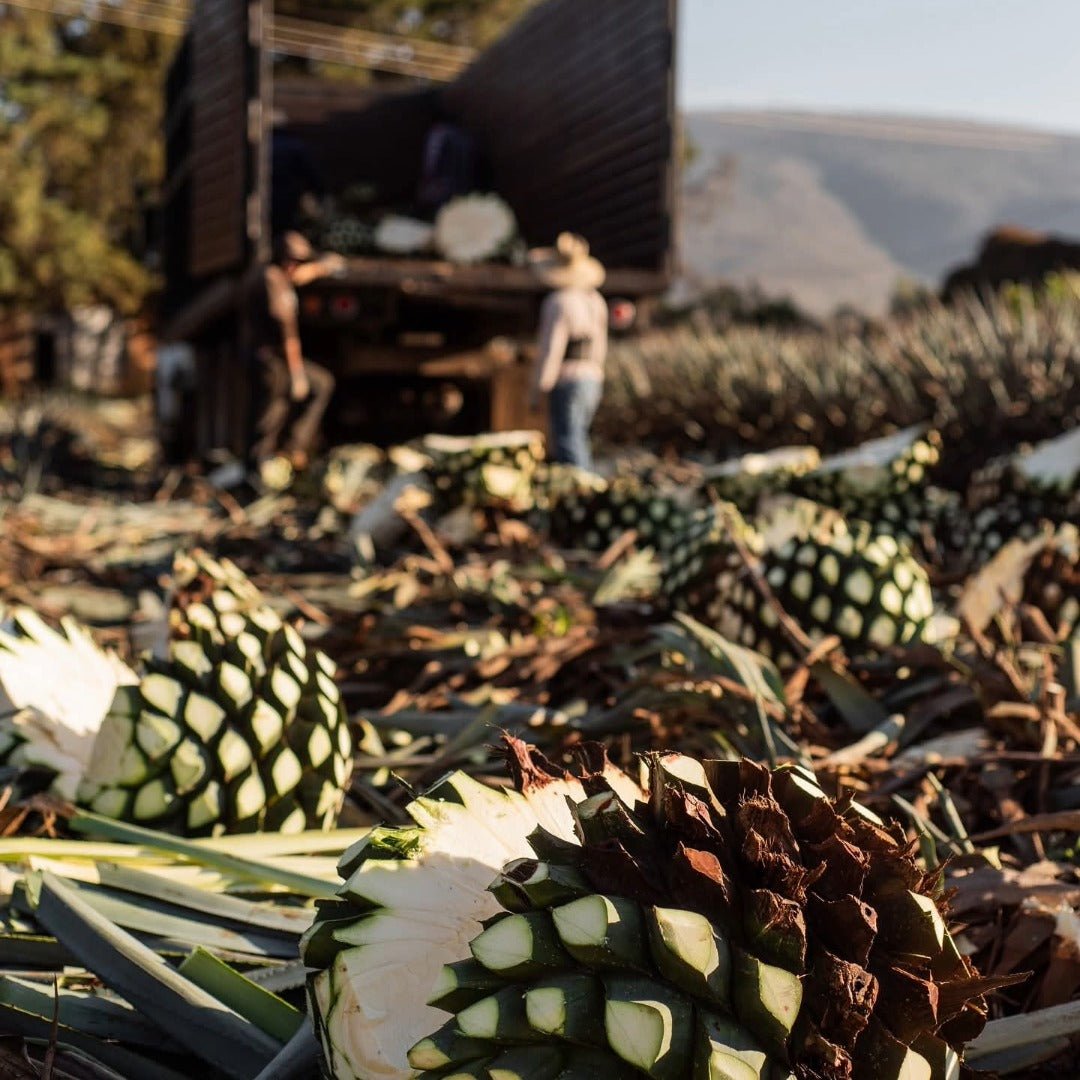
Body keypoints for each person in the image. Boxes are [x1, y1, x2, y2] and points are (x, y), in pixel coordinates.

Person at [248, 231, 344, 475]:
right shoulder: (274, 281)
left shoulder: (277, 276)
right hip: (273, 360)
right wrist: (298, 374)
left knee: (322, 384)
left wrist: (321, 267)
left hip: (276, 359)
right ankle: (261, 466)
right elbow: (288, 337)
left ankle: (291, 450)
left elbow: (312, 271)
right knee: (273, 411)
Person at [528, 233, 608, 471]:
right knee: (579, 436)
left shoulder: (558, 302)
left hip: (568, 378)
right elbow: (600, 347)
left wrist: (539, 387)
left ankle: (580, 494)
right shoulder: (596, 301)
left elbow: (551, 349)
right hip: (592, 377)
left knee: (567, 440)